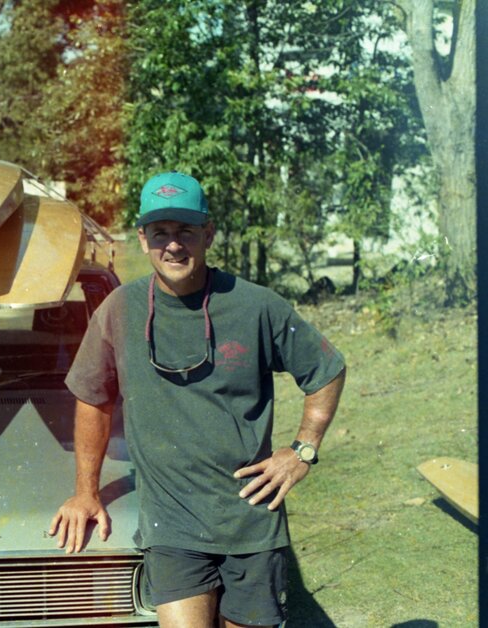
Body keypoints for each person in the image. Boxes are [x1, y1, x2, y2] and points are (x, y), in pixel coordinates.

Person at [48, 171, 346, 627]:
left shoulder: (256, 306)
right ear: (144, 238)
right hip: (173, 524)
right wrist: (85, 492)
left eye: (186, 230)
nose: (173, 245)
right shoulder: (119, 310)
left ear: (208, 233)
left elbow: (326, 370)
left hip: (251, 519)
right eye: (161, 232)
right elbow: (93, 399)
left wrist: (302, 449)